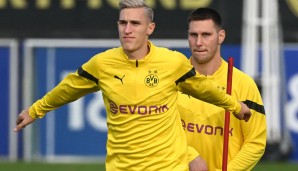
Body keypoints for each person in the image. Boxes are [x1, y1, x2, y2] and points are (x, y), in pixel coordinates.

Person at [14, 1, 251, 170]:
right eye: (123, 22)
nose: (127, 30)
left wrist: (234, 106)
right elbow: (67, 89)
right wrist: (35, 111)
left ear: (150, 29)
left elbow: (204, 89)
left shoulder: (172, 63)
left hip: (168, 166)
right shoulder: (102, 64)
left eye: (135, 23)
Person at [178, 7, 267, 171]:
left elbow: (255, 143)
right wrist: (190, 156)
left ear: (221, 36)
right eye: (193, 35)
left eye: (206, 35)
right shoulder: (174, 79)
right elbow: (158, 132)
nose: (198, 42)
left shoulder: (243, 84)